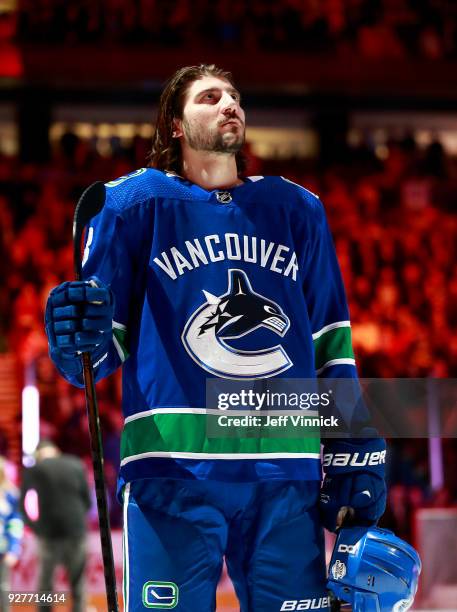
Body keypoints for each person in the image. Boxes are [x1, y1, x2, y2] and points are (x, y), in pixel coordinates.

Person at [44, 64, 387, 611]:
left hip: (284, 472)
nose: (229, 104)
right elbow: (97, 354)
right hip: (171, 473)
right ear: (175, 124)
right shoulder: (131, 206)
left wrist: (354, 439)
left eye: (234, 96)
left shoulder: (296, 209)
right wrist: (74, 337)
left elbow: (330, 342)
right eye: (209, 97)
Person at [20, 440, 91, 612]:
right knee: (78, 579)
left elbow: (22, 503)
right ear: (56, 450)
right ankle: (78, 608)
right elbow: (87, 500)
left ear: (39, 454)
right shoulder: (76, 464)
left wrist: (34, 526)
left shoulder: (35, 469)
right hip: (76, 529)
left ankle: (44, 610)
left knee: (46, 579)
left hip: (48, 532)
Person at [0, 456, 23, 611]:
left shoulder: (11, 495)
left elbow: (15, 523)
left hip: (3, 551)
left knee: (3, 590)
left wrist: (13, 548)